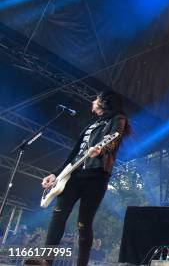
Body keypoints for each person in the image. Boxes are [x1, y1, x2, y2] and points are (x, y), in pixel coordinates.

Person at [39, 91, 130, 266]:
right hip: (74, 174)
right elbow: (74, 154)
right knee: (58, 215)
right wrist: (55, 174)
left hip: (96, 176)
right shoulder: (92, 125)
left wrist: (101, 150)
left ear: (104, 102)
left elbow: (114, 139)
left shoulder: (118, 119)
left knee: (84, 223)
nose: (93, 101)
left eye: (96, 98)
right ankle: (46, 260)